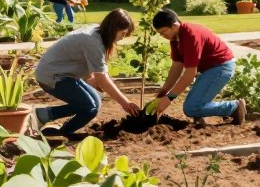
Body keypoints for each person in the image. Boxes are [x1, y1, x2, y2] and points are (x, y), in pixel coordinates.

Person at [33, 9, 141, 138]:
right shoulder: (93, 42)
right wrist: (125, 102)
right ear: (114, 28)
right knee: (88, 106)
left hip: (66, 74)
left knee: (95, 105)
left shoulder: (97, 33)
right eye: (122, 33)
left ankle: (62, 131)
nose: (122, 37)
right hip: (52, 75)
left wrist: (92, 82)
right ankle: (43, 116)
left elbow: (88, 68)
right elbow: (102, 78)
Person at [148, 9, 245, 124]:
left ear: (174, 26)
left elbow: (189, 74)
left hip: (221, 66)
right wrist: (164, 90)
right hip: (209, 69)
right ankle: (201, 113)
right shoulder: (175, 39)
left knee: (191, 108)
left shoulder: (190, 35)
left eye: (164, 32)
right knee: (194, 105)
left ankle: (234, 107)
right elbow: (176, 67)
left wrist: (169, 98)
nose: (163, 36)